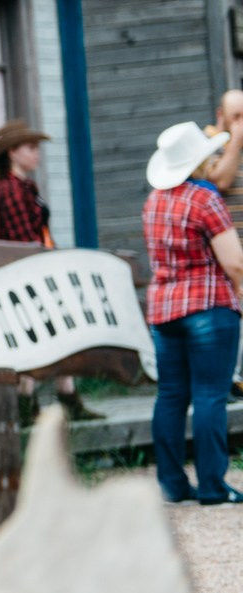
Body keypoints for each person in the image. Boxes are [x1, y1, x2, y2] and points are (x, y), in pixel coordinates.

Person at [143, 121, 243, 505]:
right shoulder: (206, 199)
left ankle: (172, 484)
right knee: (210, 396)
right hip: (208, 308)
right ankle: (215, 487)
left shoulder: (154, 200)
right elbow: (234, 262)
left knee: (170, 396)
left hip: (165, 310)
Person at [0, 120, 104, 426]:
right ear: (12, 152)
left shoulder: (26, 186)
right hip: (26, 275)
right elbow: (25, 241)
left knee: (59, 329)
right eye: (31, 148)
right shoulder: (10, 190)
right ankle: (28, 400)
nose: (37, 154)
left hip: (40, 269)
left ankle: (62, 395)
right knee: (37, 334)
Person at [203, 89, 243, 400]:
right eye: (236, 117)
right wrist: (237, 141)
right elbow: (220, 180)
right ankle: (230, 379)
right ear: (221, 116)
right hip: (227, 250)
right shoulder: (210, 144)